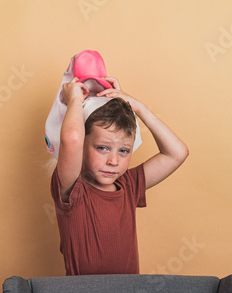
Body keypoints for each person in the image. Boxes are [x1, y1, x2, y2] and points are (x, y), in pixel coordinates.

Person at [51, 76, 188, 275]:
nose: (113, 161)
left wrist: (139, 109)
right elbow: (71, 139)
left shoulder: (129, 185)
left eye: (123, 151)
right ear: (83, 144)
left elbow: (177, 153)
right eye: (102, 148)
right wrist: (74, 101)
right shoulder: (73, 187)